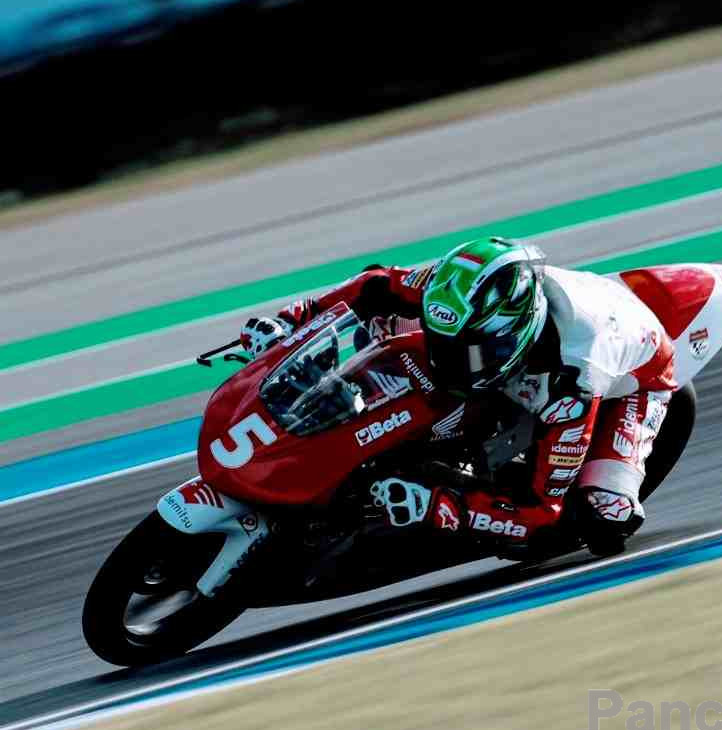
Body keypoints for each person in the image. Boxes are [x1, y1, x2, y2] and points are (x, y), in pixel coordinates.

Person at [239, 236, 679, 559]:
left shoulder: (575, 380)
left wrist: (437, 505)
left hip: (638, 378)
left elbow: (543, 511)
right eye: (442, 343)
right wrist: (293, 322)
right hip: (536, 336)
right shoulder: (449, 292)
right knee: (382, 329)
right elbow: (374, 285)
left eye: (467, 353)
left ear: (512, 338)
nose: (444, 361)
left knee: (602, 520)